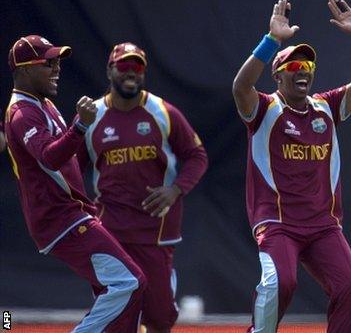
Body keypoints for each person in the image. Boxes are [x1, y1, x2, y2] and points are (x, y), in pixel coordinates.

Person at [232, 0, 351, 333]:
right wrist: (271, 41)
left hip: (322, 225)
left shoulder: (325, 107)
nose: (304, 74)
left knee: (350, 288)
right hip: (277, 222)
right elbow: (241, 86)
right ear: (278, 75)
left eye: (309, 69)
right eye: (295, 68)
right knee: (281, 284)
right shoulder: (263, 110)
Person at [4, 35, 146, 332]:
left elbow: (63, 161)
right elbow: (49, 158)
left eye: (57, 62)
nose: (57, 68)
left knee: (112, 290)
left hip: (73, 213)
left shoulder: (42, 104)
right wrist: (79, 126)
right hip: (59, 218)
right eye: (49, 63)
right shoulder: (22, 113)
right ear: (26, 69)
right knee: (129, 283)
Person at [77, 42, 208, 333]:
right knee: (115, 312)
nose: (131, 73)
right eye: (124, 66)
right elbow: (71, 168)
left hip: (155, 231)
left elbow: (197, 156)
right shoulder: (92, 116)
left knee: (160, 316)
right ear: (110, 70)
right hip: (109, 230)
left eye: (137, 67)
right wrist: (83, 210)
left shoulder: (162, 112)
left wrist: (175, 190)